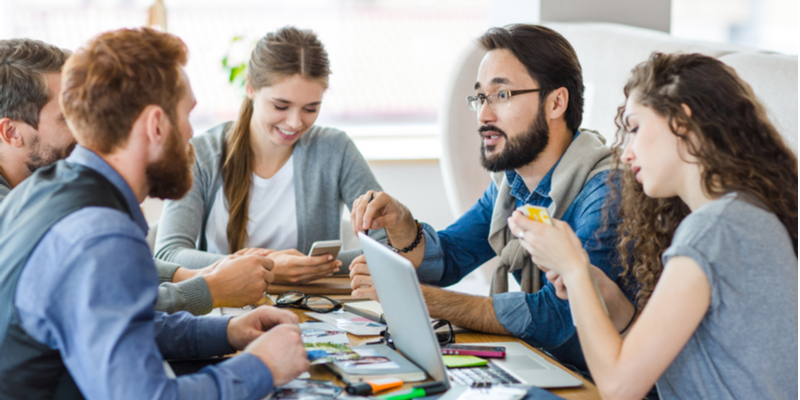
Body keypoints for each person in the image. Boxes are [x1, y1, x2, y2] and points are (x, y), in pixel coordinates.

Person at [0, 28, 308, 399]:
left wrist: (228, 330)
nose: (192, 135)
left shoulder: (44, 190)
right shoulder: (101, 234)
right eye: (187, 115)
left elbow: (123, 324)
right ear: (156, 125)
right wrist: (262, 366)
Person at [508, 52, 797, 399]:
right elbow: (668, 365)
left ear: (682, 122)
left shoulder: (713, 231)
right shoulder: (743, 216)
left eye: (635, 128)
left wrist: (574, 270)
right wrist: (604, 298)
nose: (626, 153)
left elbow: (619, 387)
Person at [348, 24, 635, 372]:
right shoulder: (510, 184)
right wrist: (401, 222)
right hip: (546, 367)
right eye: (480, 97)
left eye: (502, 95)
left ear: (557, 102)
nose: (484, 115)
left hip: (594, 384)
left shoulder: (606, 193)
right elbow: (450, 258)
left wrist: (416, 299)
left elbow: (558, 315)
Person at [0, 38, 272, 316]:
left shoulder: (46, 193)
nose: (85, 131)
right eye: (68, 117)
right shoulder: (35, 217)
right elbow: (113, 308)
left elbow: (111, 277)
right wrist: (210, 289)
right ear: (10, 133)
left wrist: (192, 276)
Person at [155, 26, 384, 284]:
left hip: (309, 314)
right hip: (219, 313)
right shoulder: (203, 155)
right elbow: (168, 256)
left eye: (310, 108)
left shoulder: (335, 150)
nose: (295, 122)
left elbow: (388, 246)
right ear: (250, 88)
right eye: (280, 106)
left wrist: (318, 267)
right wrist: (269, 267)